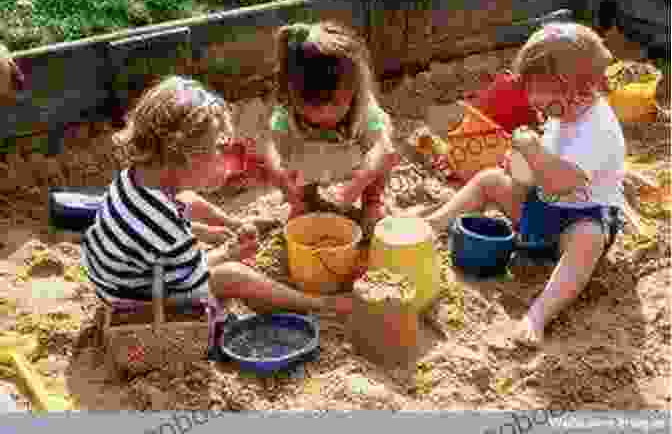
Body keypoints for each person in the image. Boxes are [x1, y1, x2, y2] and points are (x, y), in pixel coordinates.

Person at [406, 23, 626, 346]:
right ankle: (433, 223)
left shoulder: (599, 127)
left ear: (577, 86)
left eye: (540, 88)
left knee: (588, 241)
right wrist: (517, 167)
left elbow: (560, 180)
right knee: (491, 180)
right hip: (542, 210)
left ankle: (538, 314)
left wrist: (533, 152)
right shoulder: (561, 115)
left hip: (582, 216)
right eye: (531, 88)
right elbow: (537, 178)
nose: (533, 99)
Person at [80, 75, 353, 317]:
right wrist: (229, 251)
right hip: (138, 303)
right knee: (232, 276)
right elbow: (195, 271)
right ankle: (319, 305)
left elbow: (169, 228)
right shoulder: (164, 224)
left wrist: (222, 230)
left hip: (118, 276)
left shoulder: (134, 178)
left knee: (187, 199)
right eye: (217, 150)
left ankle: (231, 223)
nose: (223, 158)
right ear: (185, 155)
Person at [257, 21, 400, 231]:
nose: (325, 118)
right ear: (291, 95)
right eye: (310, 111)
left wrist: (360, 182)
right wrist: (284, 183)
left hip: (356, 163)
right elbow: (270, 148)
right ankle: (305, 201)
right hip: (309, 162)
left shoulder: (363, 108)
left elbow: (382, 148)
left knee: (384, 158)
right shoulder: (286, 109)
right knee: (289, 175)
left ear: (353, 91)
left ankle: (372, 202)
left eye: (336, 107)